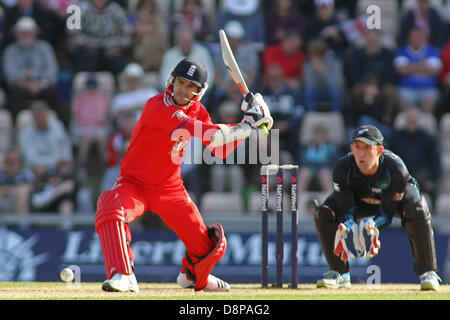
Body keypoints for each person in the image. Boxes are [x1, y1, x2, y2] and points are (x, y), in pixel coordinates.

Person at [95, 58, 273, 292]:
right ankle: (123, 274)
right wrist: (248, 124)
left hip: (170, 189)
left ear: (200, 91)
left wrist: (248, 127)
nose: (182, 90)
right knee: (110, 206)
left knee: (209, 244)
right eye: (180, 82)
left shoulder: (198, 110)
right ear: (171, 81)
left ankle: (192, 275)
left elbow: (219, 149)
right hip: (134, 184)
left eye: (190, 86)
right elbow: (208, 134)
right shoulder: (156, 106)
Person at [313, 124, 441, 291]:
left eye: (367, 148)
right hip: (359, 201)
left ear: (379, 150)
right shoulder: (343, 167)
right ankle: (339, 273)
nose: (361, 153)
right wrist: (349, 225)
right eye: (357, 147)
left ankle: (428, 272)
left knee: (417, 208)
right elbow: (345, 207)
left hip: (392, 201)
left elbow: (386, 212)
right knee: (324, 212)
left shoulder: (396, 168)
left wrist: (372, 226)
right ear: (352, 148)